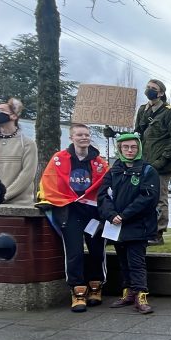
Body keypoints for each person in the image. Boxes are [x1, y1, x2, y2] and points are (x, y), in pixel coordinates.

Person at [36, 123, 109, 312]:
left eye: (86, 134)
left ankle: (96, 286)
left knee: (96, 251)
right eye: (79, 135)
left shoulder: (99, 162)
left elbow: (107, 186)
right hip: (71, 211)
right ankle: (77, 292)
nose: (83, 138)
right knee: (74, 251)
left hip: (93, 213)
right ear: (71, 138)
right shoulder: (59, 159)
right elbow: (49, 181)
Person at [97, 132, 158, 314]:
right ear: (120, 149)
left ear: (138, 148)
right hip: (116, 226)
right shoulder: (114, 170)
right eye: (126, 147)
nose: (130, 150)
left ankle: (140, 295)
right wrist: (111, 215)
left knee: (136, 262)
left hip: (138, 225)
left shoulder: (148, 170)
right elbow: (102, 195)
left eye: (133, 147)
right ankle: (128, 292)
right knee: (123, 261)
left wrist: (124, 215)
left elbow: (148, 197)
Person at [134, 79, 171, 246]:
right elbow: (138, 134)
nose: (149, 90)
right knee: (142, 196)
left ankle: (157, 232)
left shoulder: (169, 112)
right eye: (147, 87)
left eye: (153, 88)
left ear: (161, 93)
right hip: (145, 161)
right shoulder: (143, 110)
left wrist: (162, 160)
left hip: (163, 164)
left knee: (159, 198)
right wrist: (116, 134)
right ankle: (142, 229)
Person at [0, 98, 38, 206]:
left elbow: (27, 175)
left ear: (14, 116)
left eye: (0, 111)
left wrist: (3, 196)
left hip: (19, 206)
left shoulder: (28, 144)